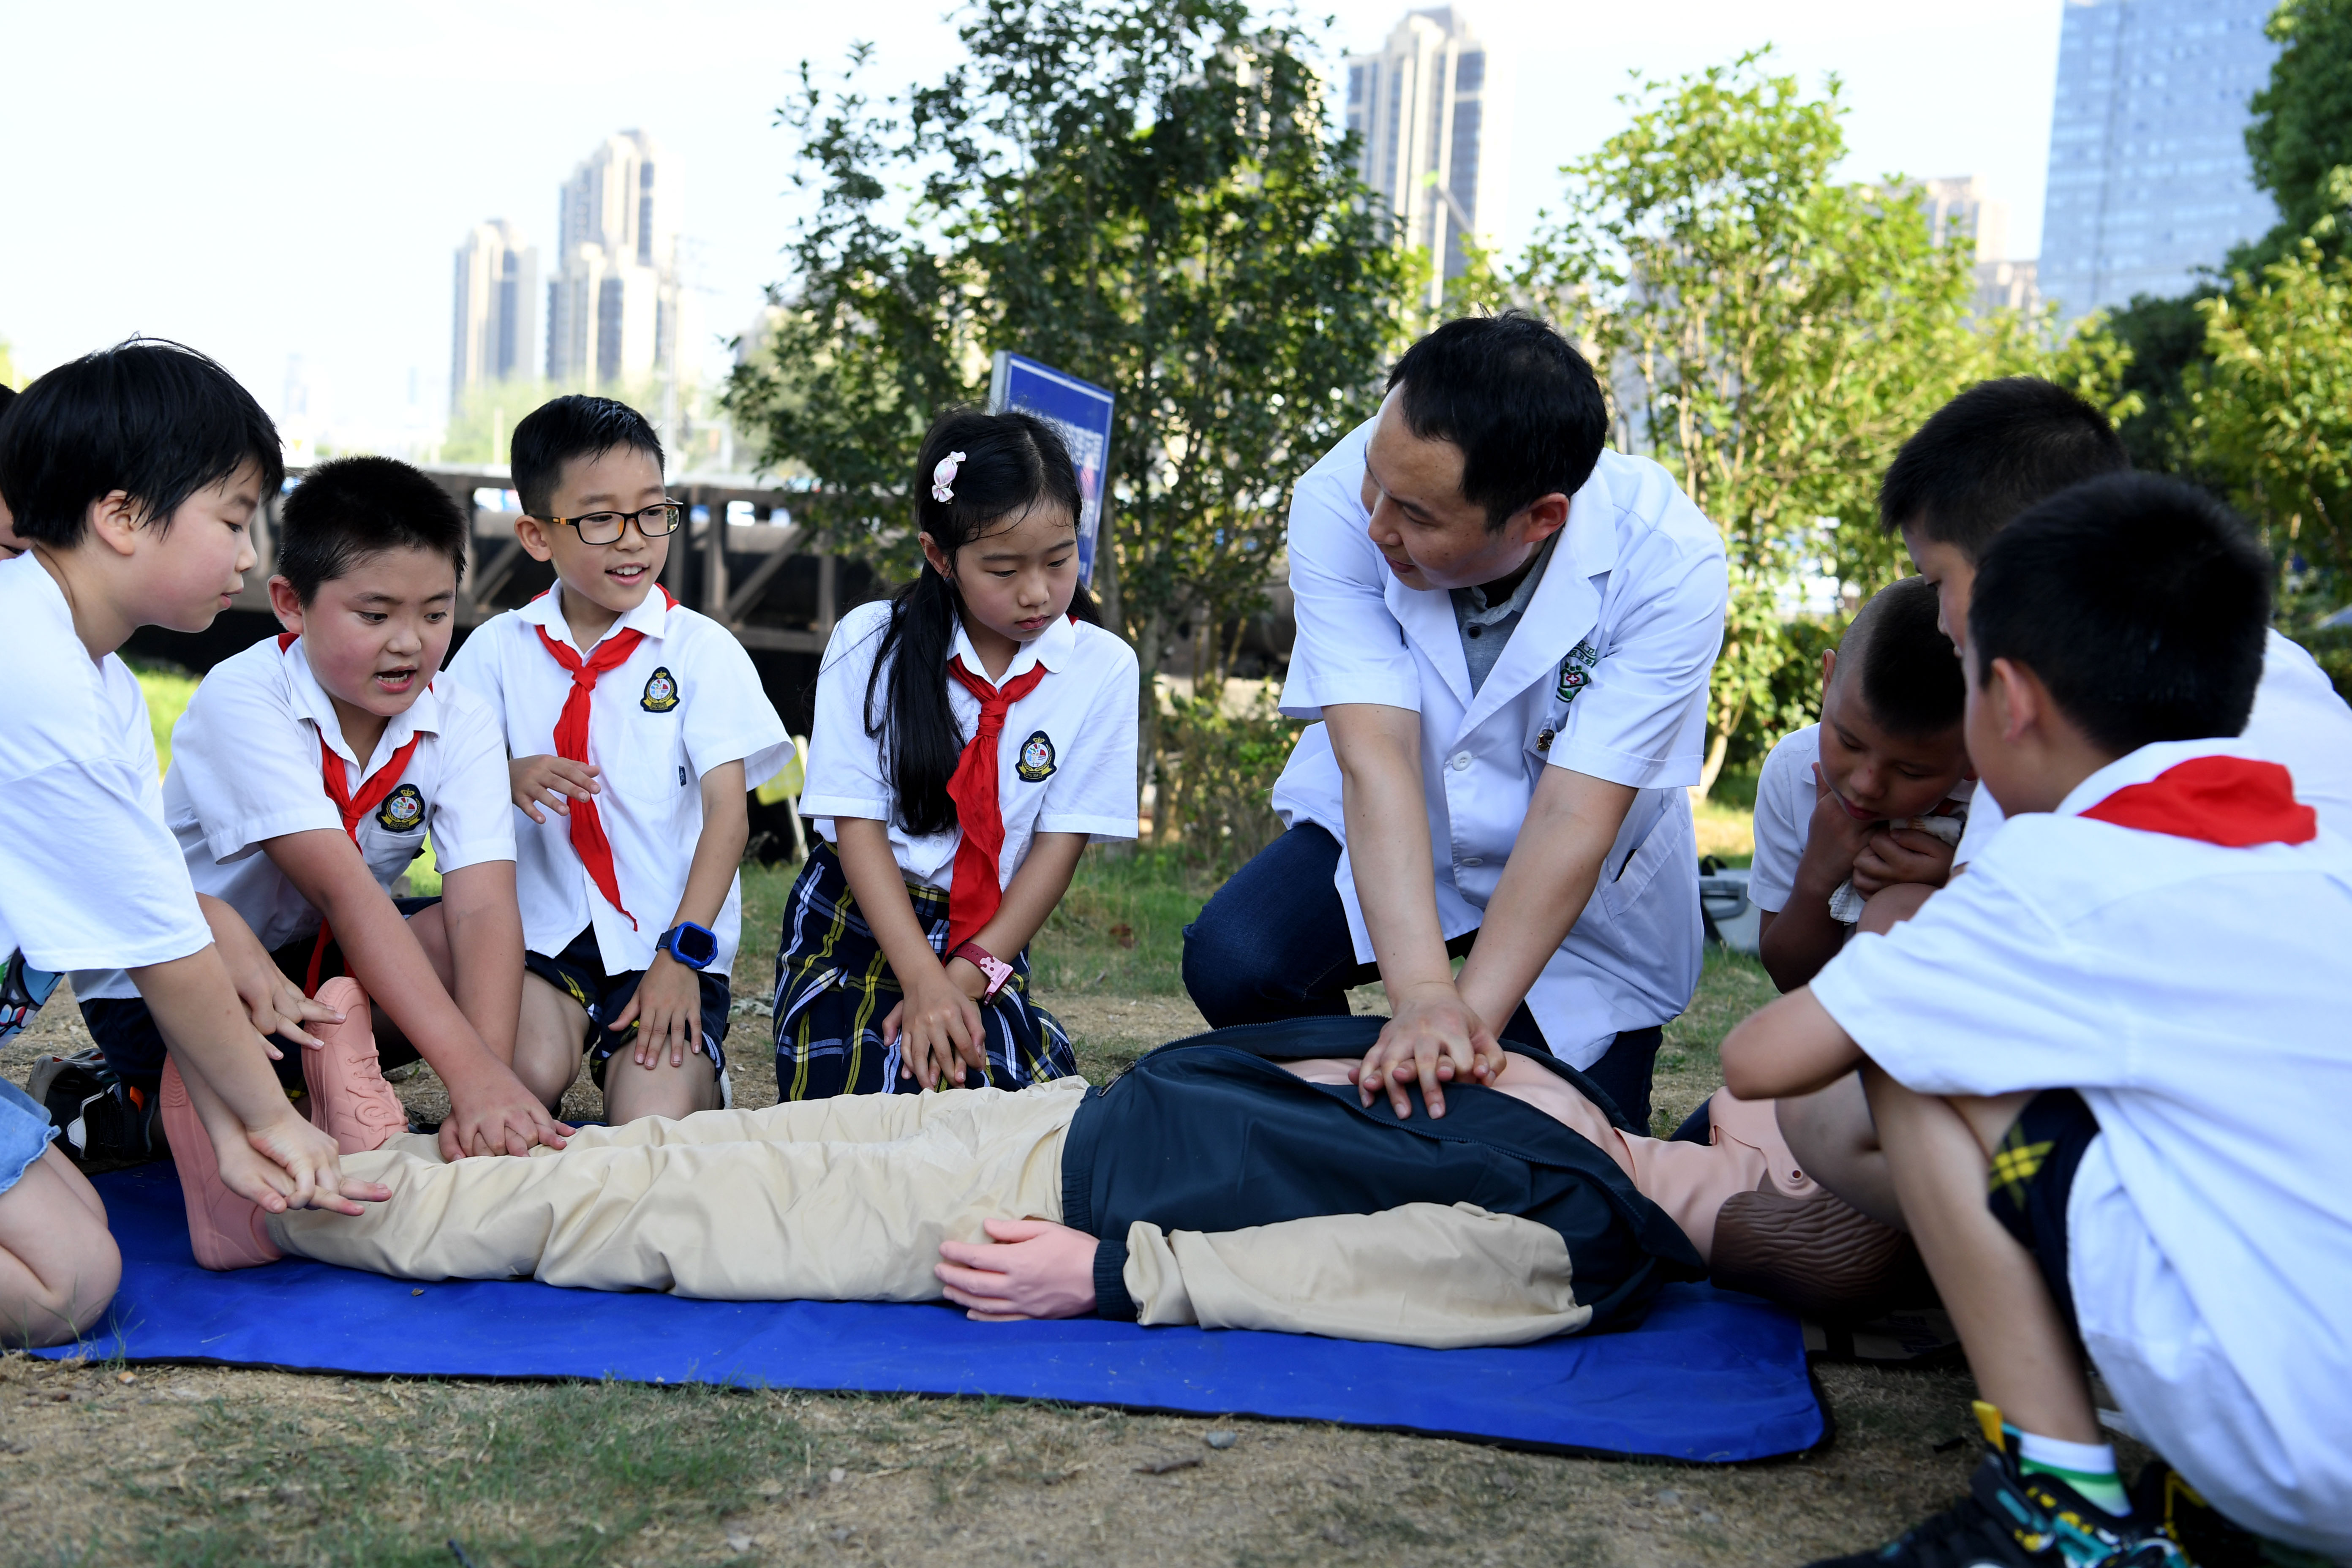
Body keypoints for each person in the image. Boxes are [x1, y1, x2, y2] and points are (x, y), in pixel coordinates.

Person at [1724, 475, 2352, 1566]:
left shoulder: (2055, 870)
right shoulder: (2317, 846)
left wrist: (1903, 925)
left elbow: (1757, 1058)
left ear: (2007, 701)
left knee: (1910, 1054)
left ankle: (2056, 1503)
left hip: (2293, 1452)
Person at [173, 998, 1902, 1348]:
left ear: (1769, 1190)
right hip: (1070, 1116)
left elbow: (1375, 1278)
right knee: (682, 1146)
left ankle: (313, 1206)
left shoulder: (1589, 1233)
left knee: (658, 1214)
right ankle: (387, 1165)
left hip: (1066, 1204)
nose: (1768, 1100)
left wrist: (1127, 1275)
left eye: (1800, 1125)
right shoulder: (1587, 1123)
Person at [1778, 376, 2352, 1225]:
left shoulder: (2046, 724)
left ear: (2016, 567)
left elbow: (1946, 1004)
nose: (1937, 622)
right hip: (2308, 1103)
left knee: (1831, 1102)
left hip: (2218, 1160)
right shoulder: (2280, 670)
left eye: (1937, 580)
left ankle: (1992, 1276)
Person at [1182, 313, 1727, 1135]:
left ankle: (1409, 1106)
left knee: (1555, 1134)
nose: (1377, 525)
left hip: (1578, 885)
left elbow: (1574, 814)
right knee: (1239, 958)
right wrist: (1423, 1000)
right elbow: (1376, 758)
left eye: (1418, 516)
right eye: (1375, 482)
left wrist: (1458, 1031)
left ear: (1541, 519)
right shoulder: (1338, 498)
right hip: (1407, 817)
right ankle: (1353, 1113)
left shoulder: (1668, 562)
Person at [0, 339, 379, 1316]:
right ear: (123, 517)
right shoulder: (31, 674)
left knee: (82, 1221)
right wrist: (270, 1118)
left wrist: (231, 1132)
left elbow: (163, 919)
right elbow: (166, 952)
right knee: (65, 1285)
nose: (251, 556)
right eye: (234, 519)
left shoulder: (104, 683)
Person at [74, 454, 566, 1163]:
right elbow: (342, 888)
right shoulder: (244, 698)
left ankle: (307, 1087)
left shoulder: (461, 718)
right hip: (175, 980)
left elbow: (482, 908)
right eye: (375, 614)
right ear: (290, 604)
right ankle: (127, 1111)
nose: (410, 641)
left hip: (313, 962)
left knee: (457, 936)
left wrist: (487, 1084)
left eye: (435, 613)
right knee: (268, 1116)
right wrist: (472, 1077)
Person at [447, 397, 791, 1123]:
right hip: (541, 936)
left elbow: (728, 817)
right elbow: (438, 781)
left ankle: (699, 1081)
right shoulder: (497, 651)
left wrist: (681, 957)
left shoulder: (701, 651)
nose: (634, 540)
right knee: (524, 1077)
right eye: (601, 518)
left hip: (667, 938)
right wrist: (502, 776)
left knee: (647, 1123)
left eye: (652, 512)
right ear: (536, 535)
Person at [779, 410, 1139, 1099]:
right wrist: (922, 982)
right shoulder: (870, 643)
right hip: (858, 920)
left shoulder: (1103, 668)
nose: (1037, 592)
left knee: (991, 1106)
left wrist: (963, 980)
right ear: (939, 556)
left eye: (1059, 560)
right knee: (865, 1105)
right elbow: (856, 828)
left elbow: (1057, 847)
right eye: (1003, 569)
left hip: (988, 938)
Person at [1748, 577, 1971, 994]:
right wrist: (1817, 875)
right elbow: (1788, 976)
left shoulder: (2005, 796)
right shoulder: (1793, 771)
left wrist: (1956, 881)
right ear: (1828, 679)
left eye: (1911, 771)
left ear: (1975, 747)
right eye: (1849, 743)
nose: (1867, 785)